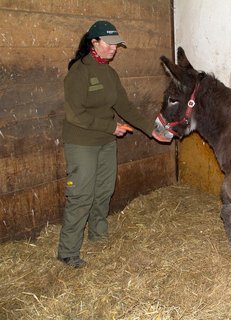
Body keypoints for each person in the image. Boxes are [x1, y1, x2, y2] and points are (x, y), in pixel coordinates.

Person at [57, 21, 154, 268]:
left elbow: (125, 107)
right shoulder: (79, 72)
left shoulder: (110, 74)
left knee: (103, 191)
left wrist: (153, 130)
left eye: (117, 44)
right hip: (82, 143)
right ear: (94, 43)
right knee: (81, 195)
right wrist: (111, 127)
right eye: (109, 44)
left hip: (106, 143)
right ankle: (68, 252)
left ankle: (98, 235)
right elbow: (74, 114)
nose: (114, 49)